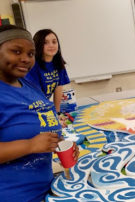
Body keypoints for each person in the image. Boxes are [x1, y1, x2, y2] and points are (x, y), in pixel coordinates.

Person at [0, 25, 78, 201]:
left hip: (47, 191)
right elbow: (31, 141)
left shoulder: (30, 87)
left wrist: (60, 144)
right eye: (16, 51)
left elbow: (42, 126)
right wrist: (30, 145)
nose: (26, 59)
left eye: (30, 54)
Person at [26, 29, 70, 113]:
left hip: (44, 106)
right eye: (45, 43)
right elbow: (35, 94)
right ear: (38, 45)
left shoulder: (58, 63)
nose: (51, 45)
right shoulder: (33, 65)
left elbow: (58, 88)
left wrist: (57, 112)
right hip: (29, 109)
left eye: (54, 42)